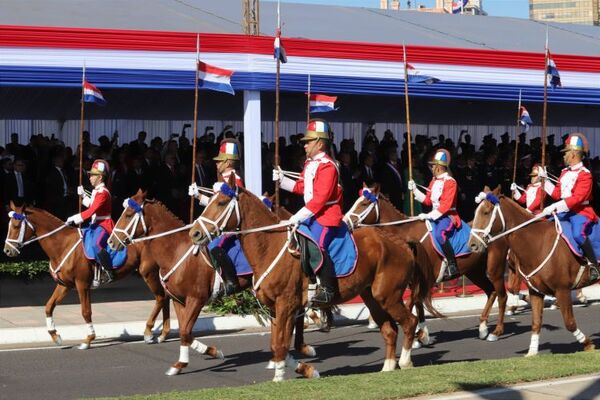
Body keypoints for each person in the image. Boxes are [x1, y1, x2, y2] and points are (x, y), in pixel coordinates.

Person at [273, 119, 344, 305]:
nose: (304, 145)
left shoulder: (328, 166)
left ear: (320, 143)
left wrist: (296, 216)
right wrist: (282, 180)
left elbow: (320, 199)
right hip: (313, 215)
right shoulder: (310, 164)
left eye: (308, 141)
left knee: (316, 245)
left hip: (326, 216)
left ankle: (328, 288)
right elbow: (301, 187)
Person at [539, 133, 599, 280]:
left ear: (573, 154)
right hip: (565, 210)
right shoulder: (564, 173)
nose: (564, 156)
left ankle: (594, 265)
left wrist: (555, 207)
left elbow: (578, 198)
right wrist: (544, 180)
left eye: (566, 153)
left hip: (580, 212)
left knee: (578, 234)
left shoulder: (586, 175)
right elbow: (557, 193)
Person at [189, 139, 244, 295]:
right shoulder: (223, 180)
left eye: (220, 161)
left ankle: (231, 281)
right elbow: (216, 207)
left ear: (228, 163)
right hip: (220, 223)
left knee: (214, 246)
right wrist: (199, 196)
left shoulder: (234, 180)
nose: (216, 164)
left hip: (230, 225)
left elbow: (228, 208)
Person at [408, 149, 460, 280]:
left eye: (433, 165)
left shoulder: (450, 182)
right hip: (435, 214)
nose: (431, 167)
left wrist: (429, 215)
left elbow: (446, 206)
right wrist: (414, 190)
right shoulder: (434, 181)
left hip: (448, 216)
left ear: (439, 167)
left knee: (439, 234)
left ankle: (452, 263)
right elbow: (427, 200)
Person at [66, 159, 115, 284]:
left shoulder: (103, 193)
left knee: (96, 244)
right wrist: (83, 196)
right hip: (95, 224)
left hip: (103, 224)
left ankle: (108, 271)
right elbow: (91, 204)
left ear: (100, 177)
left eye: (92, 175)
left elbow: (92, 210)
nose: (90, 177)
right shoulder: (97, 191)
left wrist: (74, 218)